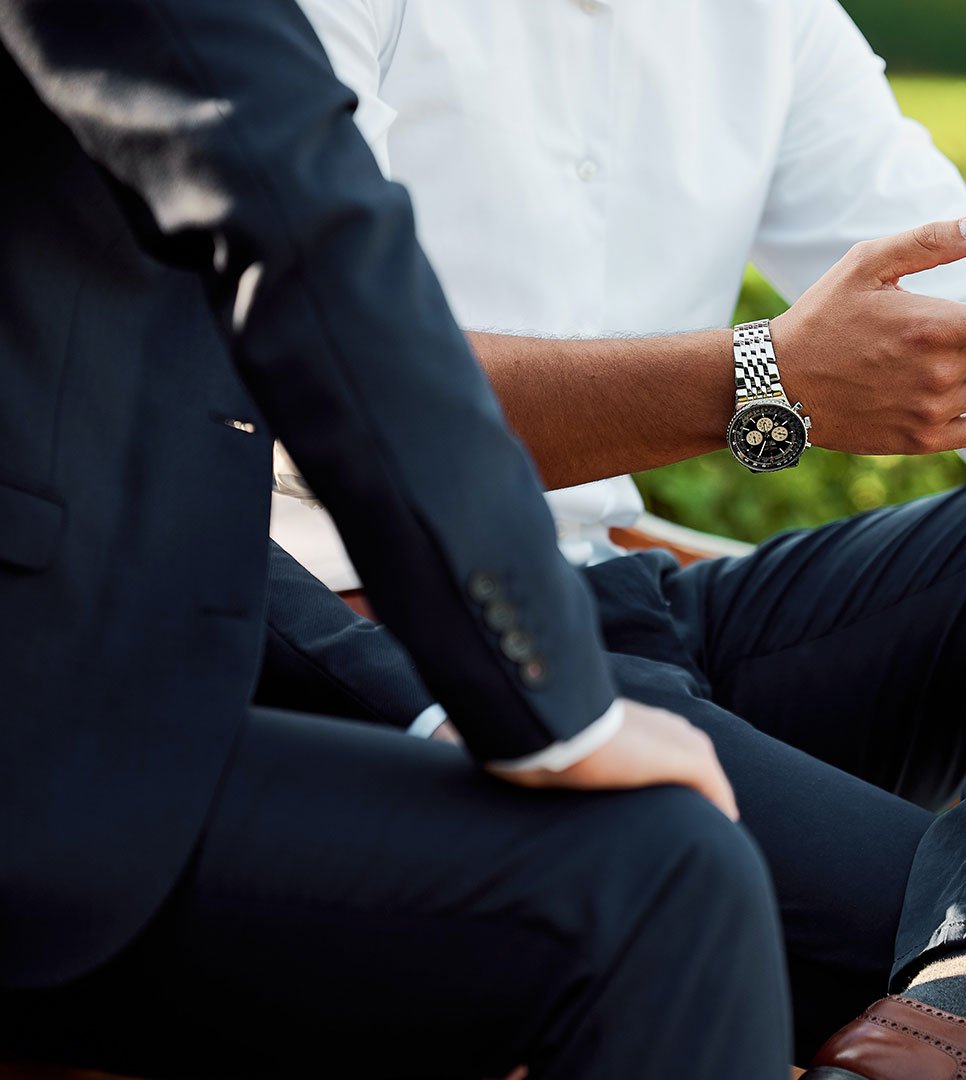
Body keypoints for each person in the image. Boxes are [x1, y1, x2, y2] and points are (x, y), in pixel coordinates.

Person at [271, 1, 966, 1076]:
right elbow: (336, 383)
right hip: (389, 636)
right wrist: (760, 380)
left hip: (629, 606)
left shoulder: (765, 21)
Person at [0, 0, 851, 1075]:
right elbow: (306, 232)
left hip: (162, 693)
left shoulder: (774, 28)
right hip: (62, 743)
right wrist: (550, 705)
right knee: (662, 880)